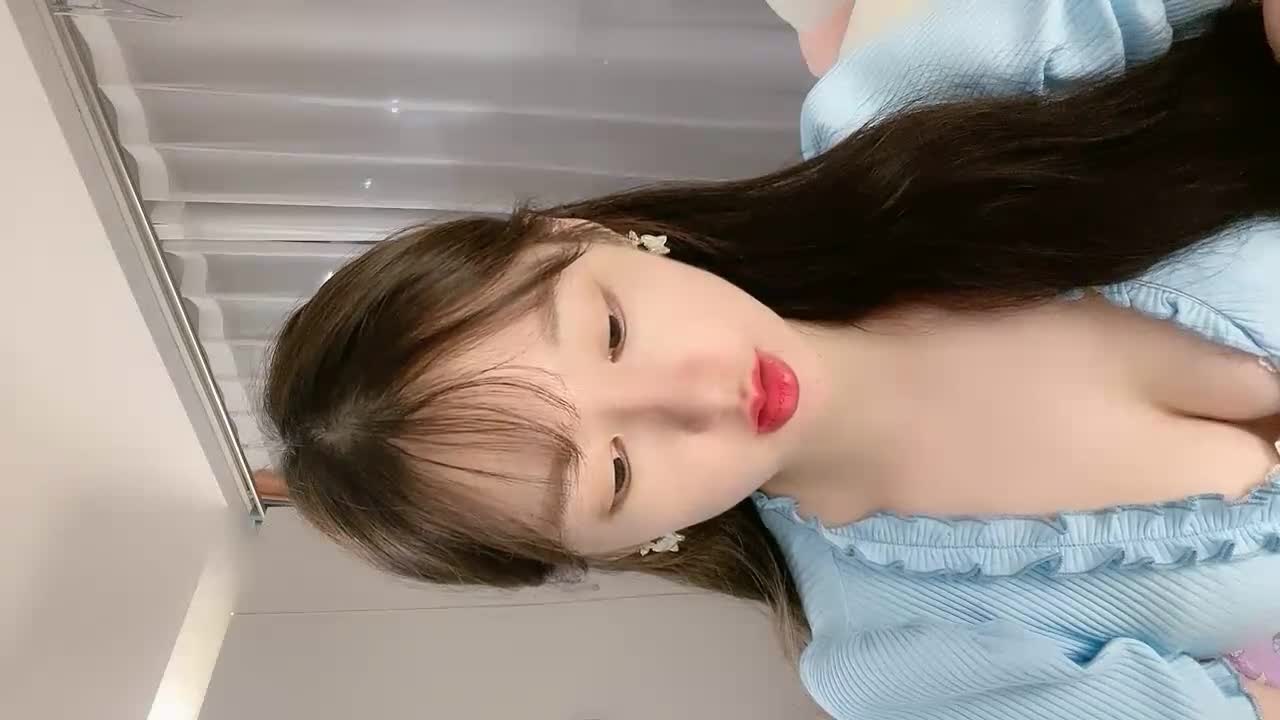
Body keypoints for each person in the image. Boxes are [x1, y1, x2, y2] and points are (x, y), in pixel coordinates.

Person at [260, 2, 1280, 717]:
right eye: (616, 471)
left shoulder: (911, 103)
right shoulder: (902, 662)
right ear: (631, 545)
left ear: (581, 235)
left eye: (611, 331)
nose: (701, 394)